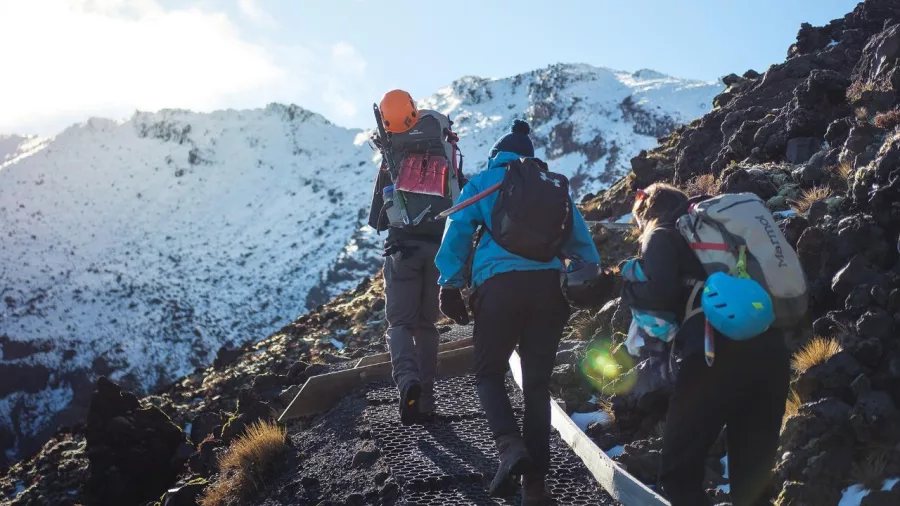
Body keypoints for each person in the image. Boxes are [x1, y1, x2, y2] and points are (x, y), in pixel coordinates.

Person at [435, 120, 601, 505]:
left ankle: (509, 447)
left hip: (499, 289)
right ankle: (535, 489)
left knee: (489, 372)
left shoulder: (488, 180)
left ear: (498, 154)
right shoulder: (552, 187)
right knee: (537, 387)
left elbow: (458, 228)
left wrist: (449, 283)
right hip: (550, 293)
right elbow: (582, 245)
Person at [621, 183, 791, 506]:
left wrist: (626, 290)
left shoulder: (662, 234)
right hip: (770, 350)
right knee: (752, 483)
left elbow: (660, 292)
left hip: (714, 353)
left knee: (676, 473)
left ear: (647, 213)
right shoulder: (723, 236)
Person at [367, 90, 466, 425]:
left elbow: (378, 217)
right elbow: (459, 191)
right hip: (438, 249)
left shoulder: (392, 153)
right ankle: (427, 400)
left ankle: (407, 381)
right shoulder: (441, 143)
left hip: (402, 252)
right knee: (427, 326)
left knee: (400, 323)